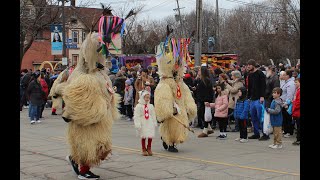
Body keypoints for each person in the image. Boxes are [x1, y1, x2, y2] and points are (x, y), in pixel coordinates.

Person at [246, 59, 266, 139]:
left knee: (260, 116)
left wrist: (262, 96)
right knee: (253, 117)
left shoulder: (260, 73)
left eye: (249, 65)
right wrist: (248, 97)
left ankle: (265, 133)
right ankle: (256, 133)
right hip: (252, 99)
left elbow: (263, 86)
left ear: (253, 65)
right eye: (247, 65)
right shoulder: (250, 75)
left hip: (259, 98)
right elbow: (250, 87)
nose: (248, 67)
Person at [133, 90, 157, 156]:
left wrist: (154, 121)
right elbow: (137, 116)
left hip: (149, 122)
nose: (147, 99)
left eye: (148, 98)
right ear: (142, 98)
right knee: (143, 136)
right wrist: (137, 124)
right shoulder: (139, 106)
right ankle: (143, 149)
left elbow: (153, 114)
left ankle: (149, 148)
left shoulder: (151, 106)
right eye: (146, 98)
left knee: (150, 135)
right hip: (143, 122)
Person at [260, 65, 280, 141]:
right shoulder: (268, 78)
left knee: (268, 118)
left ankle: (267, 133)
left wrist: (269, 98)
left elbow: (275, 91)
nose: (266, 71)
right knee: (266, 118)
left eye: (267, 69)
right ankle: (266, 133)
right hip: (267, 99)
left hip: (270, 100)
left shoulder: (275, 79)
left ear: (271, 70)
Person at [195, 66, 214, 130]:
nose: (198, 72)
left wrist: (206, 100)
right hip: (201, 99)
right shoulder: (201, 79)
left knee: (204, 114)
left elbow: (208, 91)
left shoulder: (206, 80)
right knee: (201, 113)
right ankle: (208, 128)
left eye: (199, 70)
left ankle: (206, 129)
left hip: (205, 100)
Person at [280, 69, 295, 138]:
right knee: (285, 118)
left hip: (287, 103)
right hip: (283, 102)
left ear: (288, 76)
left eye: (284, 75)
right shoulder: (285, 82)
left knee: (288, 117)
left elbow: (290, 95)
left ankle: (289, 131)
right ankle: (286, 130)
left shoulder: (290, 83)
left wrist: (286, 103)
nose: (283, 76)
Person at [292, 78, 300, 145]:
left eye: (296, 82)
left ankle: (298, 140)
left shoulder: (299, 91)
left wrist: (294, 106)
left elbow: (298, 102)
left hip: (298, 111)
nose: (295, 83)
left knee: (299, 126)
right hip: (297, 111)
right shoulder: (297, 90)